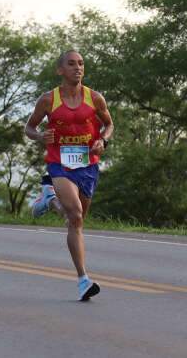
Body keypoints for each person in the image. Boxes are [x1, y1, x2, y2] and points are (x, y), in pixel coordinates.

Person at [25, 50, 114, 301]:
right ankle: (83, 279)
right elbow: (29, 127)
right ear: (60, 70)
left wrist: (103, 142)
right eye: (72, 64)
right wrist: (41, 136)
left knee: (75, 220)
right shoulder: (48, 100)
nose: (78, 68)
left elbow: (109, 124)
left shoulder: (95, 98)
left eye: (81, 64)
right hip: (59, 163)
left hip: (87, 166)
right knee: (75, 214)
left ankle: (48, 199)